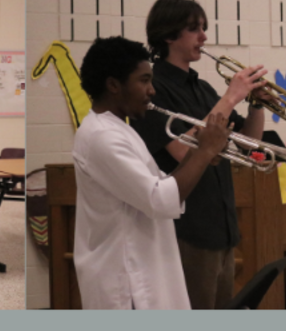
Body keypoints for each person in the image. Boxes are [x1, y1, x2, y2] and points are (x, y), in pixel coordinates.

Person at [126, 0, 270, 309]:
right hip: (186, 230)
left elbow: (249, 143)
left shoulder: (203, 89)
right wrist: (231, 96)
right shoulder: (154, 88)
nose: (204, 37)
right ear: (168, 35)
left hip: (222, 226)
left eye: (203, 28)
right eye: (194, 29)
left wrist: (256, 103)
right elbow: (182, 151)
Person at [73, 37, 202, 309]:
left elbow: (159, 186)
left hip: (141, 267)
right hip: (126, 280)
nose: (152, 90)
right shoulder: (102, 136)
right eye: (144, 80)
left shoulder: (119, 128)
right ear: (113, 85)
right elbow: (158, 199)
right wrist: (205, 152)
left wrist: (198, 154)